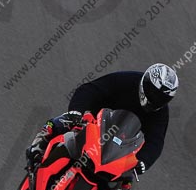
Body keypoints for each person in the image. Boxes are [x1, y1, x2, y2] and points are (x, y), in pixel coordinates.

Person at [27, 64, 179, 180]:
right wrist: (78, 112)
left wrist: (143, 162)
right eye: (153, 93)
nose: (156, 99)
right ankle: (38, 146)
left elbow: (156, 141)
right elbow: (90, 90)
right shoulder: (127, 80)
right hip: (93, 119)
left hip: (120, 141)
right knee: (64, 122)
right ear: (145, 83)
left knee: (125, 179)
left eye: (163, 98)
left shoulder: (160, 112)